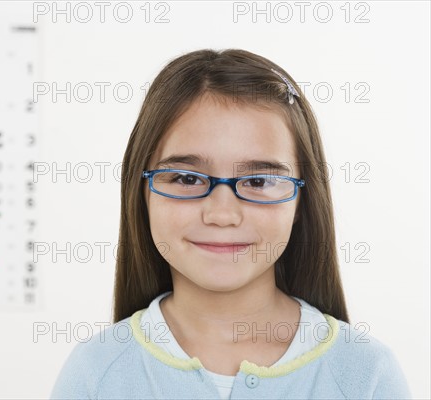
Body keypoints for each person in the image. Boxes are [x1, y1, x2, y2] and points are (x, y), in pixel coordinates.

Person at [50, 49, 412, 399]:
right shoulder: (96, 372)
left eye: (258, 182)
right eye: (186, 178)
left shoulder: (367, 374)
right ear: (141, 192)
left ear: (303, 200)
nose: (222, 215)